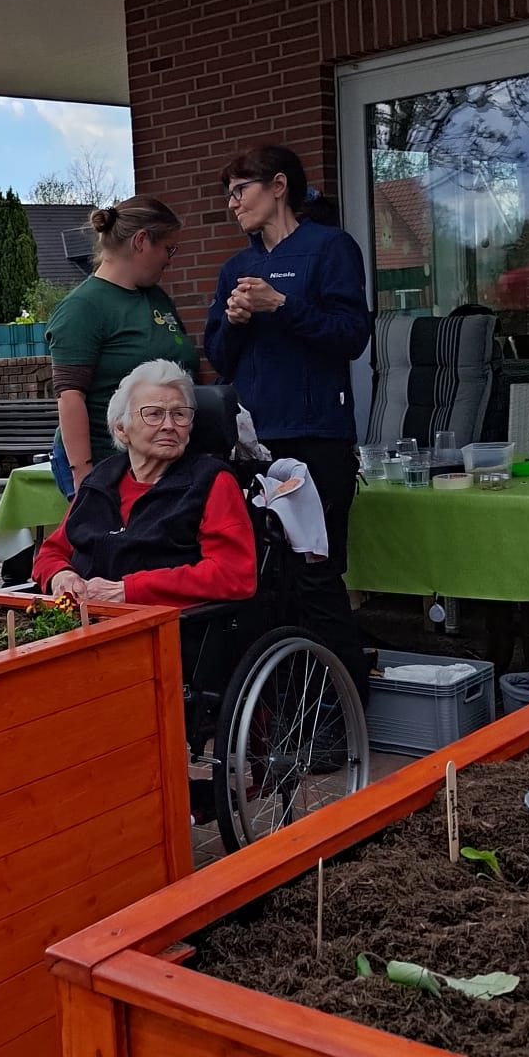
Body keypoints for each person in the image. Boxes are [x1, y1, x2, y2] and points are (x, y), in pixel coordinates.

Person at [202, 143, 372, 682]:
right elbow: (219, 359)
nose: (232, 204)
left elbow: (351, 336)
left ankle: (338, 712)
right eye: (227, 193)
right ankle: (280, 707)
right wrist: (234, 320)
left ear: (278, 187)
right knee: (262, 578)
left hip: (317, 440)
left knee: (316, 578)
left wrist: (283, 305)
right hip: (253, 447)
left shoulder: (330, 249)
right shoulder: (236, 267)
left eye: (240, 190)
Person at [34, 360, 256, 609]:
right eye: (154, 414)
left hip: (165, 628)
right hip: (85, 619)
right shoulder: (101, 479)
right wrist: (61, 576)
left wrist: (128, 590)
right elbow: (51, 552)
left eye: (179, 414)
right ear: (121, 429)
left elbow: (234, 574)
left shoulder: (211, 482)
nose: (169, 426)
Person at [46, 197, 199, 502]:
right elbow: (70, 396)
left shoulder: (156, 298)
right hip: (108, 461)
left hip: (159, 458)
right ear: (141, 241)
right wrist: (85, 478)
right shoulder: (83, 307)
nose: (170, 260)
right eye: (168, 249)